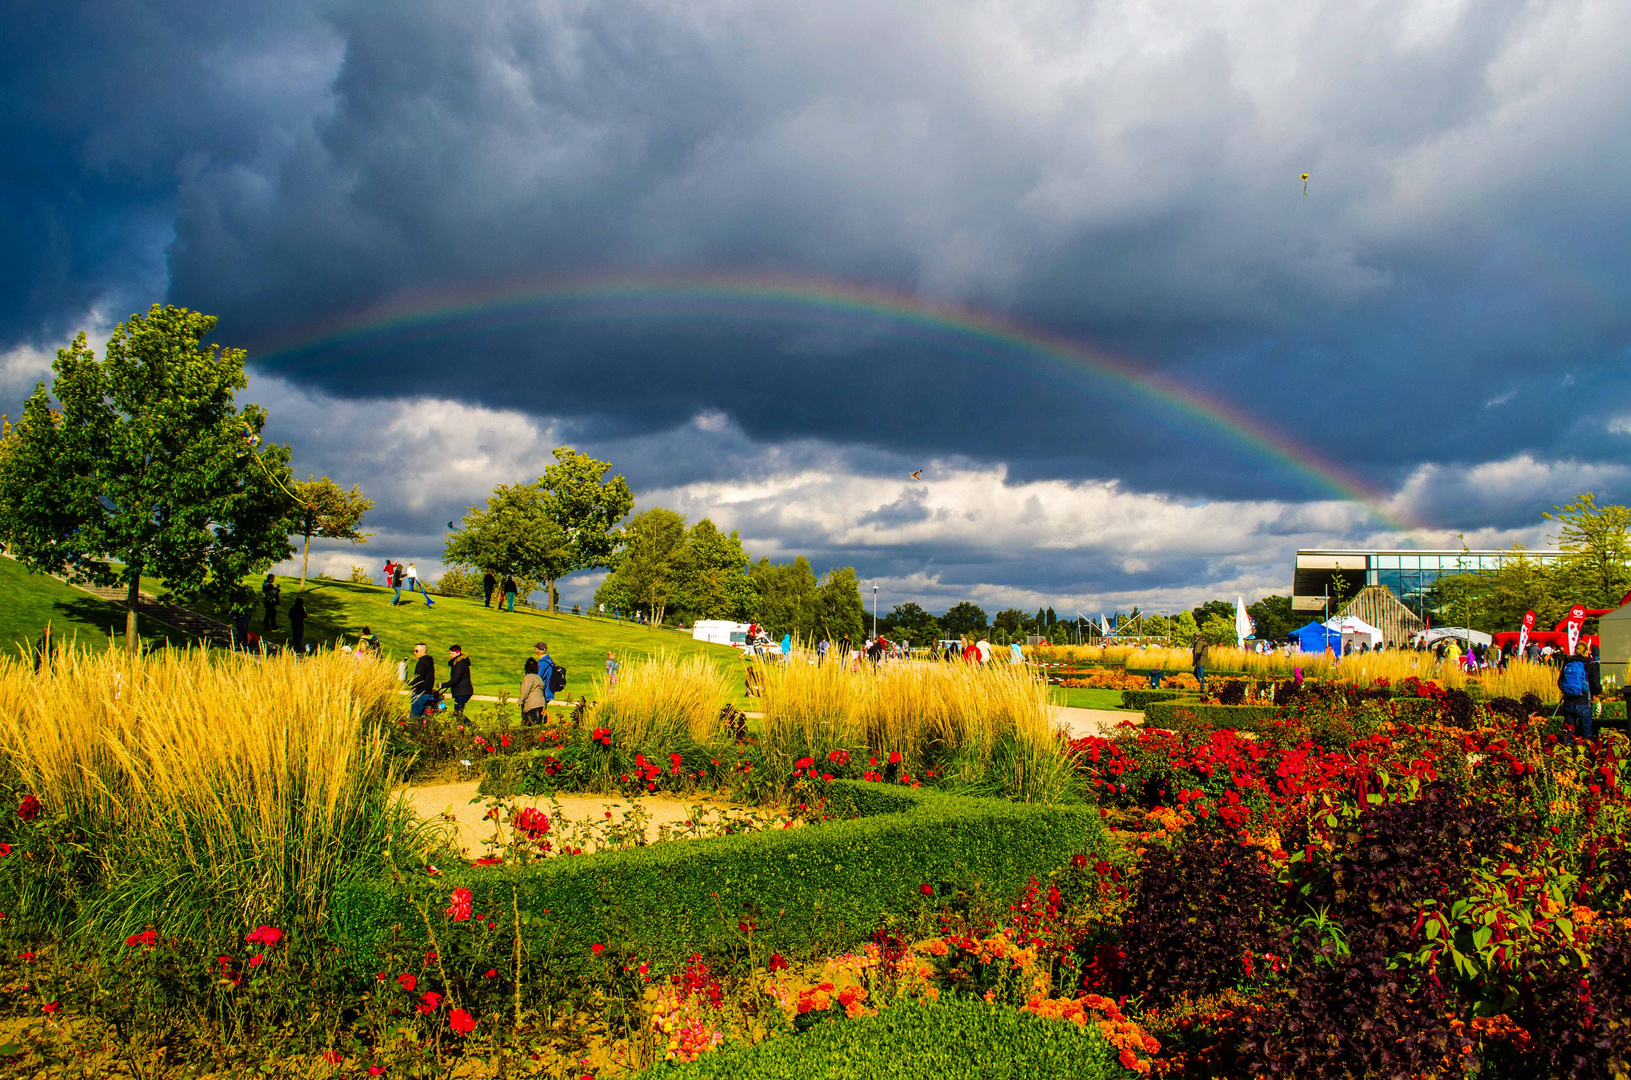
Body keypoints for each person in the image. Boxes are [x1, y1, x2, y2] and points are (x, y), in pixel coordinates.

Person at [1557, 643, 1601, 743]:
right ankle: (1586, 754)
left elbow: (1560, 682)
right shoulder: (1589, 665)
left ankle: (1567, 754)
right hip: (1584, 702)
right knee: (1586, 733)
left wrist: (1568, 691)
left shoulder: (1568, 663)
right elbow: (1596, 686)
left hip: (1568, 702)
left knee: (1569, 732)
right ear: (1586, 652)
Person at [443, 644, 473, 716]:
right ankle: (462, 726)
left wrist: (442, 685)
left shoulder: (459, 664)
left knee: (458, 713)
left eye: (452, 653)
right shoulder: (459, 663)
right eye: (450, 653)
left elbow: (455, 679)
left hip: (462, 692)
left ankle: (474, 727)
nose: (450, 655)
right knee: (458, 713)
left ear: (458, 653)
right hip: (462, 691)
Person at [409, 643, 437, 718]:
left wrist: (414, 687)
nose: (414, 653)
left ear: (423, 651)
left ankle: (414, 729)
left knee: (415, 716)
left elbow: (419, 678)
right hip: (428, 693)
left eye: (416, 651)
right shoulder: (430, 662)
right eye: (414, 651)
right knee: (427, 717)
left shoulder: (421, 663)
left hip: (420, 693)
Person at [519, 658, 546, 725]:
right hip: (540, 704)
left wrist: (519, 701)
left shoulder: (528, 677)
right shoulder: (538, 677)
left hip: (532, 706)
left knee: (529, 726)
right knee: (538, 724)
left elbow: (525, 690)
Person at [532, 641, 557, 713]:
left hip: (542, 692)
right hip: (548, 690)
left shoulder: (542, 663)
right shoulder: (549, 660)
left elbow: (537, 678)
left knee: (538, 713)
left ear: (537, 650)